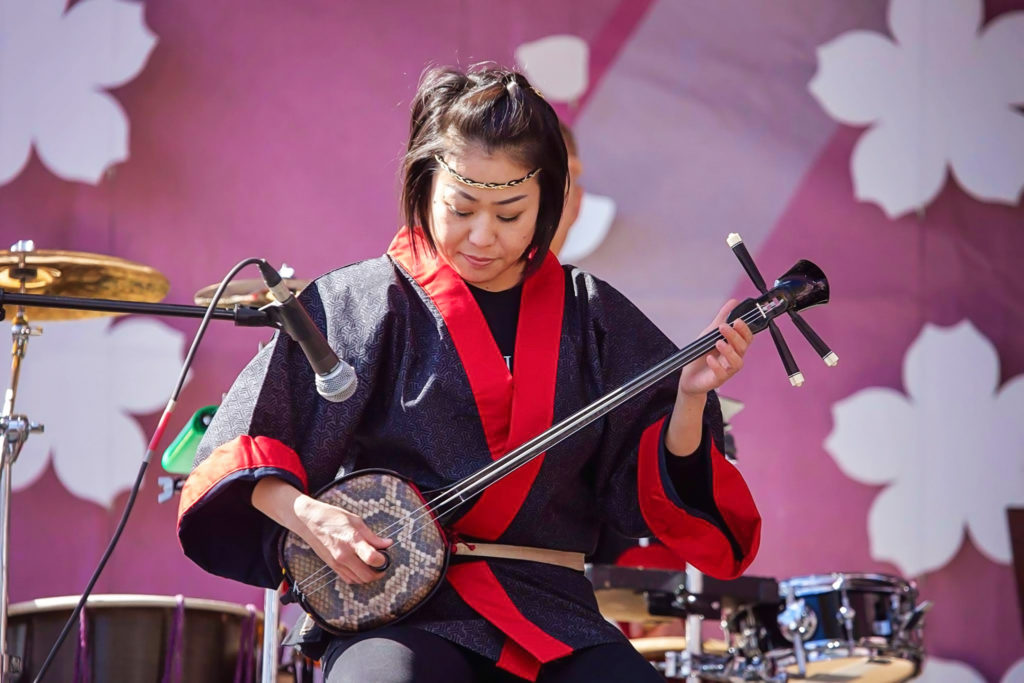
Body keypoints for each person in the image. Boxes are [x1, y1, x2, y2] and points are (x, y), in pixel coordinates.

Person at [177, 66, 761, 683]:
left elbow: (648, 484)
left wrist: (692, 400)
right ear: (425, 187)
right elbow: (241, 452)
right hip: (392, 608)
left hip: (550, 610)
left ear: (550, 201)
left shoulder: (594, 317)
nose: (483, 236)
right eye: (462, 208)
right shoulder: (362, 301)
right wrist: (309, 515)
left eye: (510, 214)